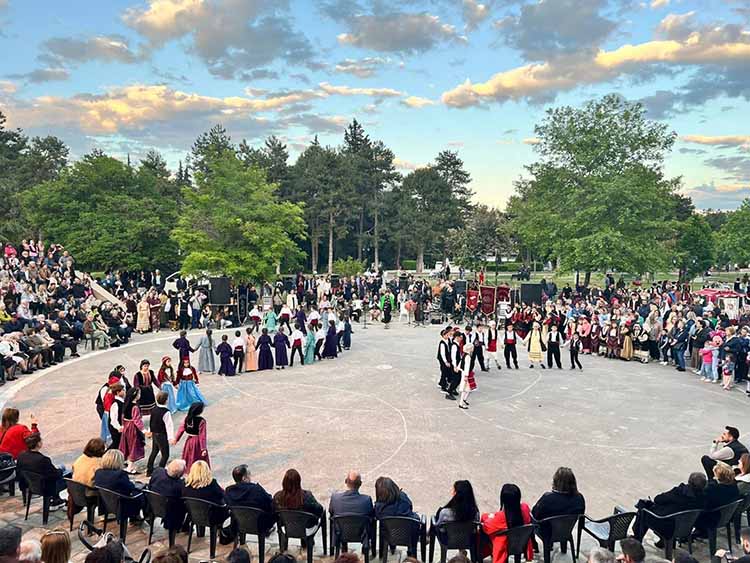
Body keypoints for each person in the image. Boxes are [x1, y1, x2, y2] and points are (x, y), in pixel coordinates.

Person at [633, 472, 706, 545]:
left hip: (667, 525)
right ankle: (664, 541)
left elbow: (658, 499)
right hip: (685, 528)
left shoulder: (679, 492)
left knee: (643, 508)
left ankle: (637, 538)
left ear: (689, 482)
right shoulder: (702, 498)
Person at [480, 484, 533, 563]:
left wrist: (489, 517)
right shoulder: (525, 508)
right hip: (521, 543)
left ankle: (479, 556)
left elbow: (486, 528)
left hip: (504, 546)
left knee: (483, 530)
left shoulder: (501, 517)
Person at [224, 464, 274, 541]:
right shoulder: (256, 489)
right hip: (258, 524)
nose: (250, 477)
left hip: (239, 523)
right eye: (249, 474)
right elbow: (269, 501)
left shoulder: (229, 490)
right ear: (244, 478)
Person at [16, 434, 67, 510]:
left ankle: (56, 500)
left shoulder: (21, 455)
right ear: (38, 444)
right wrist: (60, 471)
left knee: (54, 472)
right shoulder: (43, 460)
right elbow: (55, 475)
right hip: (45, 487)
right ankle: (71, 504)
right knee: (66, 472)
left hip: (30, 484)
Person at [93, 449, 145, 518]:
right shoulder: (120, 474)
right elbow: (130, 488)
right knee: (143, 492)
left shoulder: (98, 472)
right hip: (122, 505)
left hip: (106, 503)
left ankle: (137, 517)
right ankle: (144, 516)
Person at [694, 462, 740, 537]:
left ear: (719, 478)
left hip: (711, 518)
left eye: (715, 475)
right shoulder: (734, 487)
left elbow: (704, 505)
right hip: (726, 516)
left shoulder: (713, 490)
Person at [148, 459, 187, 531]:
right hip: (169, 512)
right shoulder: (179, 486)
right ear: (179, 474)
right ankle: (181, 526)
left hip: (153, 505)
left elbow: (150, 486)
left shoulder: (157, 472)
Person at [173, 402, 209, 472]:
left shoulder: (187, 418)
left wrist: (176, 439)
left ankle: (189, 470)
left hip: (189, 441)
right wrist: (203, 448)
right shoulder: (201, 421)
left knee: (189, 456)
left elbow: (181, 429)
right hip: (197, 443)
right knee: (198, 458)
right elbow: (202, 436)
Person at [146, 392, 175, 476]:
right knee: (165, 455)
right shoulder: (166, 412)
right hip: (162, 435)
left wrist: (150, 431)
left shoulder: (154, 409)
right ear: (166, 400)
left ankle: (149, 470)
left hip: (155, 433)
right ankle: (160, 472)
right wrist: (170, 437)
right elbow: (169, 425)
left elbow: (152, 421)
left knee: (154, 451)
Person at [119, 387, 146, 473]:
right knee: (134, 446)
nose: (140, 395)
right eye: (139, 394)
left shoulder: (126, 404)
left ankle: (129, 464)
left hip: (126, 426)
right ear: (135, 396)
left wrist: (123, 425)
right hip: (132, 428)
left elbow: (122, 416)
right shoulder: (135, 407)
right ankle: (130, 467)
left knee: (127, 445)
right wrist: (144, 430)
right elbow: (137, 420)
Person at [107, 383, 126, 450]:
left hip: (120, 427)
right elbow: (113, 419)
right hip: (115, 428)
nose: (124, 392)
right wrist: (119, 427)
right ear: (118, 392)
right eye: (122, 390)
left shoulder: (121, 402)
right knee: (116, 444)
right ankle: (104, 454)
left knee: (118, 444)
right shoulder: (115, 404)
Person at [458, 343, 476, 410]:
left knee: (468, 388)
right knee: (465, 389)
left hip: (465, 373)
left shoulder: (464, 354)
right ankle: (461, 403)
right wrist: (466, 375)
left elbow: (461, 362)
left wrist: (458, 368)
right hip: (466, 374)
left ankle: (464, 399)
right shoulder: (468, 356)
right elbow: (467, 366)